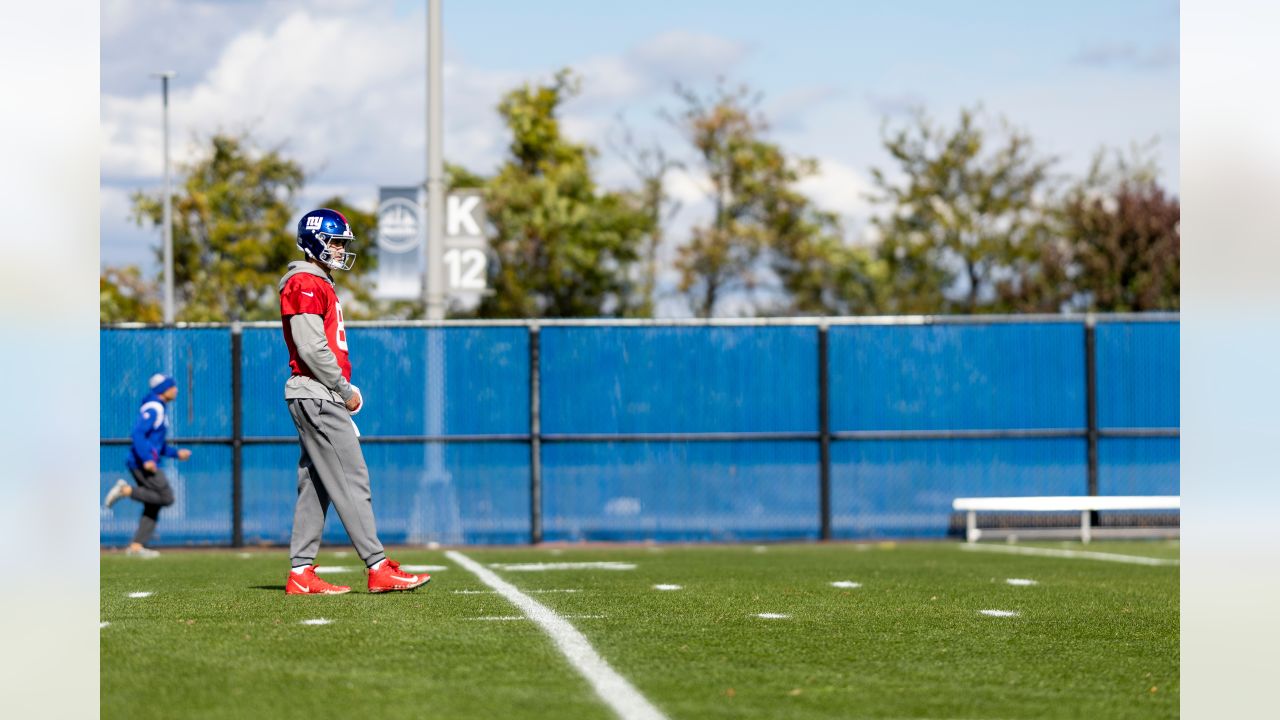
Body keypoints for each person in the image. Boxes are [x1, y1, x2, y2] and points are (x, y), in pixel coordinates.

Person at [276, 208, 431, 595]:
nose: (341, 250)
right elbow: (312, 346)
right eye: (335, 242)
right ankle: (378, 566)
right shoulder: (306, 282)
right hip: (318, 391)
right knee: (352, 476)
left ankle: (301, 572)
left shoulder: (317, 282)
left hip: (313, 391)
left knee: (317, 483)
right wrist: (344, 390)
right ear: (315, 241)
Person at [103, 373, 193, 557]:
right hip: (141, 464)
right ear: (163, 389)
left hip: (144, 461)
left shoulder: (160, 408)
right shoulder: (154, 408)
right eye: (172, 386)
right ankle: (126, 491)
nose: (176, 389)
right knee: (166, 497)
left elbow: (156, 444)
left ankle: (136, 546)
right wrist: (147, 460)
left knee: (154, 504)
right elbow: (137, 435)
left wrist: (176, 453)